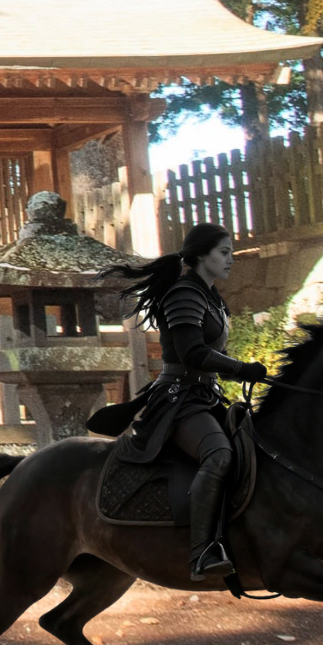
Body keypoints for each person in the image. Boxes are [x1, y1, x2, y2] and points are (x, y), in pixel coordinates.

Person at [116, 224, 269, 578]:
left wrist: (245, 372)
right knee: (218, 455)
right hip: (179, 400)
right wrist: (242, 367)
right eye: (224, 252)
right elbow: (192, 352)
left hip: (206, 395)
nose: (231, 259)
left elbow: (215, 357)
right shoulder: (184, 293)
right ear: (202, 255)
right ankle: (203, 553)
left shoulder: (213, 298)